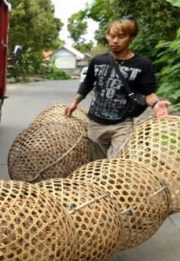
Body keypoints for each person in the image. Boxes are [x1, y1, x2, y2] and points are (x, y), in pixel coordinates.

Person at [65, 16, 171, 159]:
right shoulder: (98, 61)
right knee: (96, 165)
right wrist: (75, 101)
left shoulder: (142, 64)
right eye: (111, 36)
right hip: (96, 122)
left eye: (121, 36)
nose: (115, 41)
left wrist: (157, 105)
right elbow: (88, 83)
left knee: (118, 164)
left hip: (123, 123)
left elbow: (149, 93)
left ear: (131, 38)